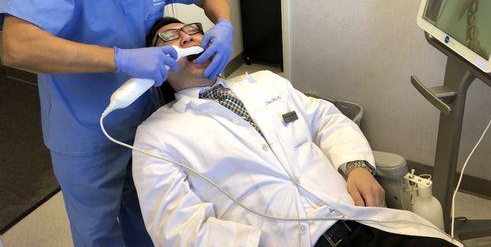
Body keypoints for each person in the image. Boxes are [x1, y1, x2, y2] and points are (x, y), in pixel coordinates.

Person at [0, 0, 234, 246]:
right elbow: (16, 48)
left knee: (150, 216)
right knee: (99, 232)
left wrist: (224, 24)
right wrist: (118, 58)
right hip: (86, 129)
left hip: (149, 120)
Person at [130, 17, 463, 247]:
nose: (188, 37)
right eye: (170, 39)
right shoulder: (157, 136)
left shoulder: (264, 82)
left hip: (361, 221)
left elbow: (326, 120)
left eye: (193, 30)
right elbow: (177, 230)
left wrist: (356, 166)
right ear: (157, 66)